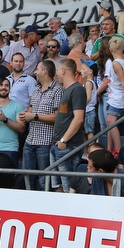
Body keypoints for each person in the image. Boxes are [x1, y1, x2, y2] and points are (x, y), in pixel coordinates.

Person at [19, 60, 62, 190]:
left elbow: (58, 117)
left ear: (45, 71)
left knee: (44, 180)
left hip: (46, 141)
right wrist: (25, 116)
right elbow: (31, 109)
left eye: (37, 69)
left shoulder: (57, 89)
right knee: (27, 177)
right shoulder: (36, 89)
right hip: (30, 139)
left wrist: (34, 116)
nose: (34, 72)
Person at [50, 59, 86, 192]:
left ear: (63, 70)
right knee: (57, 186)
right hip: (58, 145)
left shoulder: (77, 89)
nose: (57, 73)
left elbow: (79, 119)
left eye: (58, 70)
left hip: (68, 146)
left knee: (68, 188)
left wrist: (64, 140)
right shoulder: (67, 90)